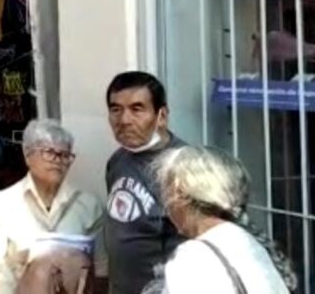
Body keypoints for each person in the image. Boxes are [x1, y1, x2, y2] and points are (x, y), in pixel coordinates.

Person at [0, 119, 106, 294]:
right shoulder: (3, 205)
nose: (57, 160)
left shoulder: (89, 206)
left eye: (64, 155)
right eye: (49, 152)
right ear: (27, 155)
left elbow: (102, 271)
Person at [148, 145, 296, 293]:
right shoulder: (251, 242)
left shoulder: (195, 257)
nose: (165, 204)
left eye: (165, 191)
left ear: (179, 193)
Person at [103, 71, 186, 294]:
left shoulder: (184, 168)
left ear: (162, 116)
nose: (124, 120)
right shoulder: (118, 161)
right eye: (115, 109)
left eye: (137, 109)